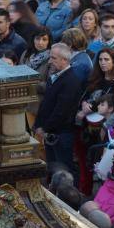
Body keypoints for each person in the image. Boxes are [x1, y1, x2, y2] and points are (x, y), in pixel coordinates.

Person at [34, 43, 83, 180]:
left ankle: (67, 197)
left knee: (63, 170)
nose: (50, 62)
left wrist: (45, 128)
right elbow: (45, 105)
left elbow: (61, 111)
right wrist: (38, 125)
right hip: (51, 132)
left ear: (64, 60)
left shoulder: (71, 81)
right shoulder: (55, 76)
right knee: (52, 167)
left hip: (61, 134)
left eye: (53, 58)